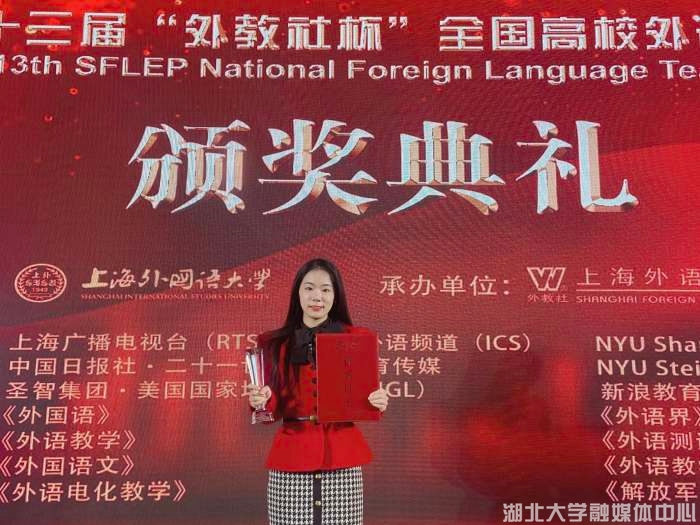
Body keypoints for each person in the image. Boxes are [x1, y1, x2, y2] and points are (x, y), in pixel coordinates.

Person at [246, 258, 389, 525]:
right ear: (297, 293)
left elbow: (364, 400)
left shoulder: (356, 339)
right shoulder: (274, 343)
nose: (317, 297)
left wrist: (377, 402)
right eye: (309, 288)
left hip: (342, 459)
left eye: (325, 289)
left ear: (336, 295)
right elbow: (269, 411)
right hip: (291, 459)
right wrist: (261, 401)